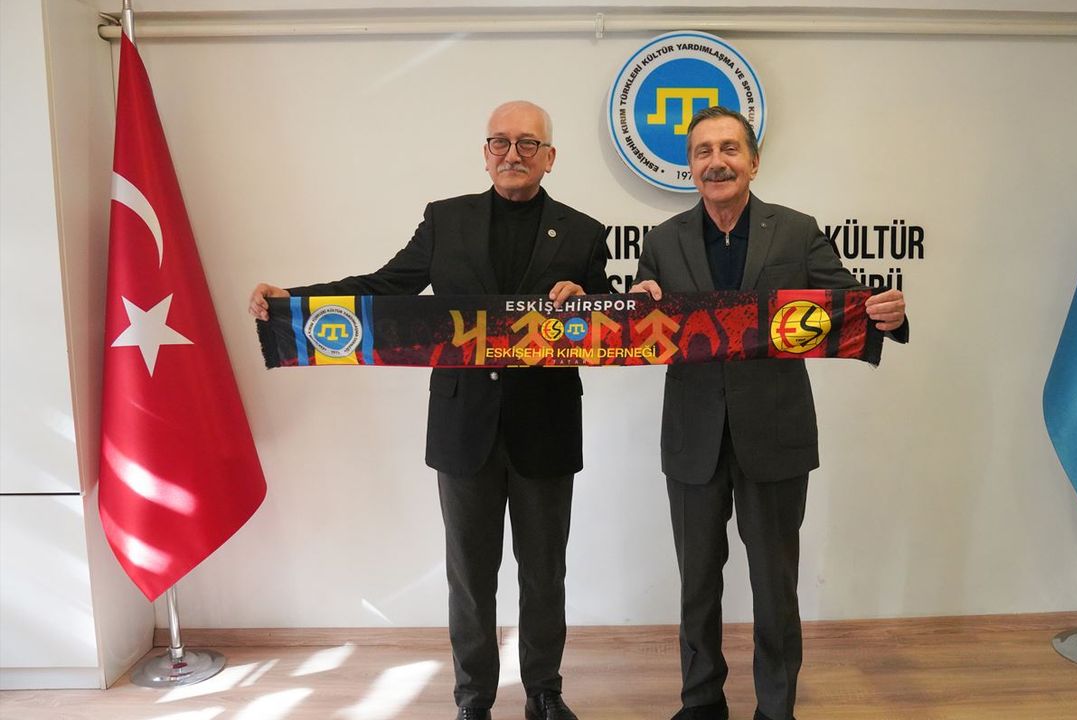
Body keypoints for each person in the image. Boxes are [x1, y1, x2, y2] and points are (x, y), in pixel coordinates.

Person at [248, 100, 608, 720]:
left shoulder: (583, 231)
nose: (513, 153)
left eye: (528, 143)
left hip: (546, 425)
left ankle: (545, 693)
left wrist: (588, 298)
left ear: (550, 157)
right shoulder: (446, 220)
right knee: (470, 577)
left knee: (545, 573)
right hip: (463, 426)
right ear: (485, 153)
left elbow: (609, 320)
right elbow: (386, 287)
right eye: (500, 142)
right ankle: (473, 700)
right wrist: (297, 300)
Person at [630, 106, 908, 720]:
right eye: (703, 151)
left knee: (775, 584)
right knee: (697, 583)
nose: (716, 162)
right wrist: (637, 299)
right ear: (690, 167)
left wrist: (887, 313)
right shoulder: (663, 241)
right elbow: (642, 321)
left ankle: (775, 708)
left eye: (729, 149)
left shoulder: (797, 231)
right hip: (693, 438)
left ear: (753, 162)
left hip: (776, 435)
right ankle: (701, 703)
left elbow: (846, 300)